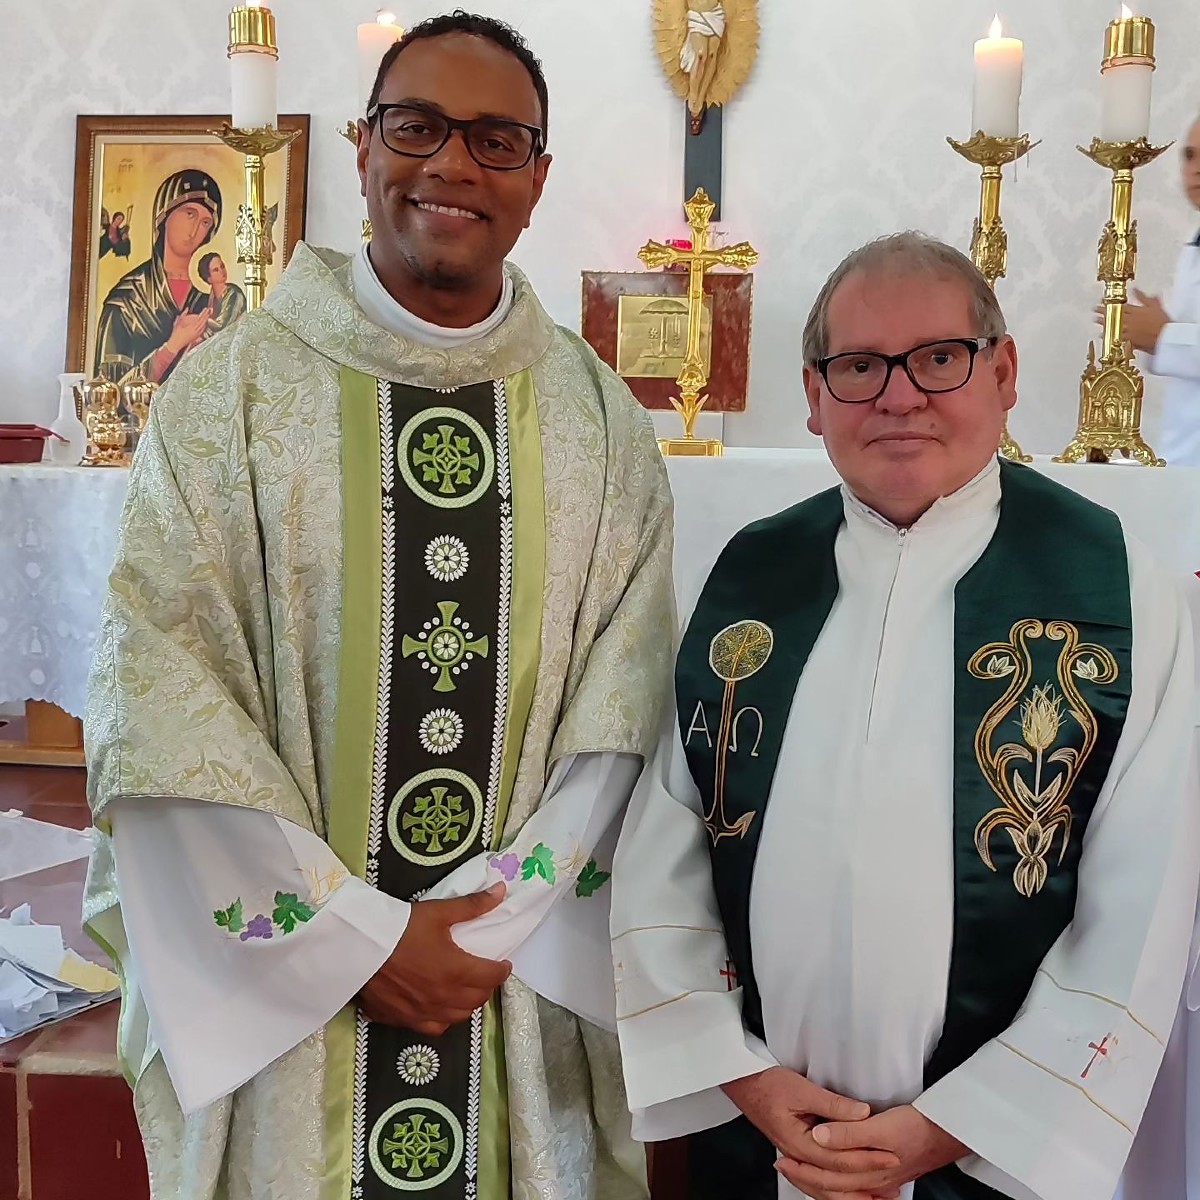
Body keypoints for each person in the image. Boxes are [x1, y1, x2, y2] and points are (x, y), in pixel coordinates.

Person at [84, 13, 673, 1200]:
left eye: (497, 139)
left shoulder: (602, 423)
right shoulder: (228, 397)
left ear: (538, 178)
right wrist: (358, 941)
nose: (453, 164)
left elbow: (628, 709)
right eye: (417, 127)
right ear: (360, 148)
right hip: (295, 1033)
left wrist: (485, 934)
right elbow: (163, 696)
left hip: (508, 997)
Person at [611, 232, 1200, 1200]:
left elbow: (1141, 906)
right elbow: (666, 843)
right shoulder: (755, 576)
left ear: (1002, 371)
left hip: (989, 1160)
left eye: (938, 358)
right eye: (858, 366)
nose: (898, 395)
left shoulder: (1115, 590)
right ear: (813, 395)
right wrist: (742, 1074)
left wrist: (954, 1127)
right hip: (763, 1139)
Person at [1106, 116, 1200, 464]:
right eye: (1190, 156)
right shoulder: (1193, 242)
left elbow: (1175, 338)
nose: (1196, 169)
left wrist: (1164, 335)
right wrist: (1152, 332)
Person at [93, 170, 220, 385]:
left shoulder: (211, 300)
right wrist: (173, 346)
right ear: (164, 216)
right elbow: (108, 396)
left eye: (206, 222)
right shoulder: (126, 302)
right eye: (189, 213)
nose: (195, 229)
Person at [197, 251, 247, 337]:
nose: (222, 271)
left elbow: (223, 327)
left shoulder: (234, 293)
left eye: (222, 266)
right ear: (209, 279)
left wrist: (201, 320)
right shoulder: (211, 298)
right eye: (216, 270)